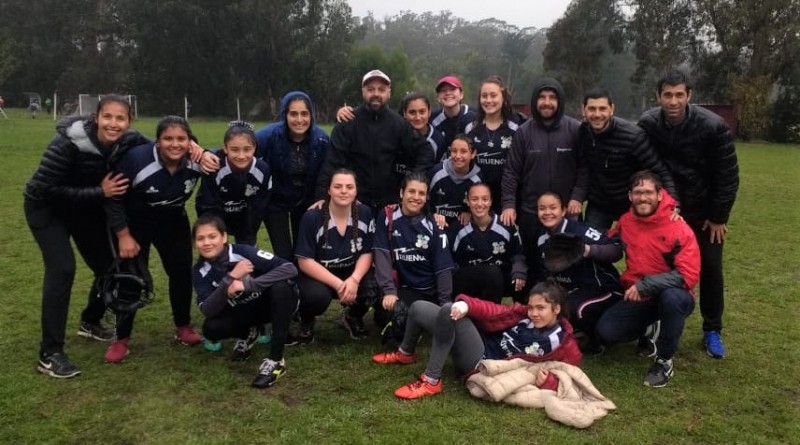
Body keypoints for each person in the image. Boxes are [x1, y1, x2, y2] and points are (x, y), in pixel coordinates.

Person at [25, 95, 150, 378]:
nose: (113, 124)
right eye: (108, 117)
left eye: (120, 118)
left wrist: (195, 148)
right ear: (96, 118)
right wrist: (99, 192)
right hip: (46, 209)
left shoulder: (129, 140)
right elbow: (44, 189)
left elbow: (162, 146)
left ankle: (90, 321)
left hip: (84, 210)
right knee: (62, 269)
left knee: (109, 267)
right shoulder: (66, 144)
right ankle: (50, 353)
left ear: (129, 122)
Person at [638, 69, 739, 358]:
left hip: (705, 214)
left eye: (679, 95)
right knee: (659, 268)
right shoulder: (648, 124)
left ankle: (712, 330)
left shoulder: (714, 127)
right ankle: (654, 323)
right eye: (667, 95)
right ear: (658, 96)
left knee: (710, 268)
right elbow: (643, 165)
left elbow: (728, 176)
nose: (673, 101)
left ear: (689, 96)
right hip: (666, 213)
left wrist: (718, 216)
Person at [104, 116, 213, 362]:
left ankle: (183, 326)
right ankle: (121, 339)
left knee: (181, 273)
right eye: (168, 139)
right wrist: (123, 235)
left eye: (181, 139)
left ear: (190, 142)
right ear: (157, 141)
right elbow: (113, 199)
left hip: (173, 220)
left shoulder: (197, 161)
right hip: (135, 223)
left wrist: (205, 152)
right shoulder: (136, 159)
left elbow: (230, 155)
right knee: (131, 278)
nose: (174, 144)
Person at [372, 279, 581, 399]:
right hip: (476, 342)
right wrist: (466, 305)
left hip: (483, 363)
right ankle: (405, 353)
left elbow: (571, 378)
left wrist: (548, 382)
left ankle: (431, 380)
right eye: (532, 307)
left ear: (556, 309)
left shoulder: (563, 343)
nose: (533, 313)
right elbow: (492, 310)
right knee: (418, 307)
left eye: (541, 308)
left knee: (448, 311)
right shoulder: (522, 315)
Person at [595, 171, 699, 387]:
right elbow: (608, 241)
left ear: (660, 195)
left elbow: (687, 275)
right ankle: (649, 327)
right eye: (638, 192)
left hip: (672, 294)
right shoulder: (626, 221)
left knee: (672, 299)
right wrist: (580, 243)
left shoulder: (678, 227)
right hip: (638, 296)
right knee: (606, 332)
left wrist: (645, 285)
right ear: (630, 196)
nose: (643, 198)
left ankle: (664, 361)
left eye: (648, 192)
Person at [192, 215, 298, 388]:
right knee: (211, 328)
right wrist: (229, 280)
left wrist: (249, 284)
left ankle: (276, 360)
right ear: (195, 243)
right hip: (244, 310)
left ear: (224, 237)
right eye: (200, 238)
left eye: (212, 236)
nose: (207, 243)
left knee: (281, 287)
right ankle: (249, 333)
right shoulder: (199, 271)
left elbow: (289, 268)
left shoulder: (243, 252)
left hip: (271, 305)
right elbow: (207, 310)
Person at [316, 69, 434, 212]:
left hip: (389, 204)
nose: (376, 94)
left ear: (389, 93)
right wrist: (322, 196)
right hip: (354, 202)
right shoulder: (347, 122)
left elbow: (425, 151)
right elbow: (331, 162)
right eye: (370, 89)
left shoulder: (398, 124)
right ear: (363, 92)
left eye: (381, 89)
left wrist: (411, 181)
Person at [501, 77, 584, 279]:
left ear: (560, 100)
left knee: (570, 263)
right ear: (534, 101)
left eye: (552, 97)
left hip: (566, 211)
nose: (547, 102)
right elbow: (511, 171)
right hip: (531, 212)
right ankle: (533, 297)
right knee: (533, 263)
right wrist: (509, 204)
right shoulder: (523, 132)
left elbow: (584, 168)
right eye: (542, 97)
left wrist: (577, 197)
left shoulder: (575, 129)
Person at [293, 169, 378, 343]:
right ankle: (306, 320)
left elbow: (367, 252)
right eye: (338, 187)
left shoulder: (365, 213)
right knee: (316, 297)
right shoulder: (312, 216)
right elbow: (304, 261)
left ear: (356, 190)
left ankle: (352, 316)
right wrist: (339, 285)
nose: (344, 191)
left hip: (350, 273)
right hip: (318, 275)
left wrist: (354, 279)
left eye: (349, 187)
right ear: (329, 190)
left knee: (375, 285)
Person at [578, 88, 677, 232]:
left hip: (630, 205)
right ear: (583, 110)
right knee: (589, 243)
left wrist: (674, 205)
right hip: (598, 204)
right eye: (592, 109)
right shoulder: (583, 132)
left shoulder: (633, 136)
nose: (597, 114)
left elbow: (659, 170)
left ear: (612, 109)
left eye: (602, 109)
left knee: (635, 245)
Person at [373, 172, 455, 345]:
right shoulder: (387, 216)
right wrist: (389, 291)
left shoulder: (434, 225)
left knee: (403, 319)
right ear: (401, 193)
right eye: (411, 191)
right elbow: (381, 255)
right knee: (383, 314)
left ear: (426, 198)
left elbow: (443, 269)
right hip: (408, 289)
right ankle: (417, 325)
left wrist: (444, 306)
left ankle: (425, 322)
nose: (416, 197)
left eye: (421, 193)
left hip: (431, 292)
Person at [535, 192, 623, 352]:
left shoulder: (580, 231)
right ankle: (574, 333)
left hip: (603, 288)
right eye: (542, 208)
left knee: (572, 308)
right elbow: (545, 272)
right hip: (573, 289)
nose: (547, 212)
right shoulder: (542, 237)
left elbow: (616, 250)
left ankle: (597, 338)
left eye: (553, 208)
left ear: (563, 210)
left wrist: (588, 250)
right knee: (546, 305)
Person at [255, 91, 330, 260]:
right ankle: (285, 274)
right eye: (293, 114)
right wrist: (208, 154)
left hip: (306, 201)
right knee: (283, 253)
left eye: (304, 114)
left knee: (302, 251)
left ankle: (301, 277)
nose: (299, 119)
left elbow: (331, 167)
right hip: (275, 201)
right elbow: (239, 145)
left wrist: (322, 197)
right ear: (285, 115)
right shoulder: (269, 136)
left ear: (311, 115)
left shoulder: (322, 140)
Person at [196, 121, 272, 246]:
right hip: (216, 215)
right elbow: (207, 204)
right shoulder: (213, 166)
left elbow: (259, 206)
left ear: (254, 148)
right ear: (225, 148)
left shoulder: (263, 170)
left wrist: (249, 232)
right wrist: (215, 231)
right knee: (216, 251)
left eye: (247, 149)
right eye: (235, 150)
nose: (241, 156)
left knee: (247, 252)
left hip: (246, 219)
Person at [449, 182, 526, 304]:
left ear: (490, 202)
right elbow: (448, 260)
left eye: (485, 199)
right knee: (490, 273)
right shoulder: (457, 228)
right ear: (467, 202)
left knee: (518, 276)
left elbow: (518, 254)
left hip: (499, 280)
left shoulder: (505, 225)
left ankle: (519, 313)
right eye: (474, 199)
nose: (480, 204)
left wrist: (519, 272)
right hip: (469, 281)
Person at [464, 76, 520, 213]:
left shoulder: (516, 128)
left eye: (493, 95)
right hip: (477, 200)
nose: (488, 100)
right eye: (484, 96)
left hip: (505, 199)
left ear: (503, 98)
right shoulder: (470, 127)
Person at [427, 134, 483, 228]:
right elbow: (423, 201)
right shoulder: (436, 173)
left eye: (463, 151)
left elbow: (480, 205)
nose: (458, 156)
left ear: (473, 154)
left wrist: (470, 212)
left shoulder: (478, 179)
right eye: (454, 151)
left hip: (461, 228)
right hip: (435, 226)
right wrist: (432, 216)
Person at [429, 75, 477, 149]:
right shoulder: (432, 120)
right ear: (438, 97)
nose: (448, 93)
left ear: (461, 94)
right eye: (443, 90)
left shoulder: (475, 115)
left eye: (452, 89)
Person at [400, 92, 447, 163]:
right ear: (405, 113)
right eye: (412, 112)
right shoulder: (396, 136)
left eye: (422, 112)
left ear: (429, 112)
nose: (418, 117)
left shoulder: (438, 140)